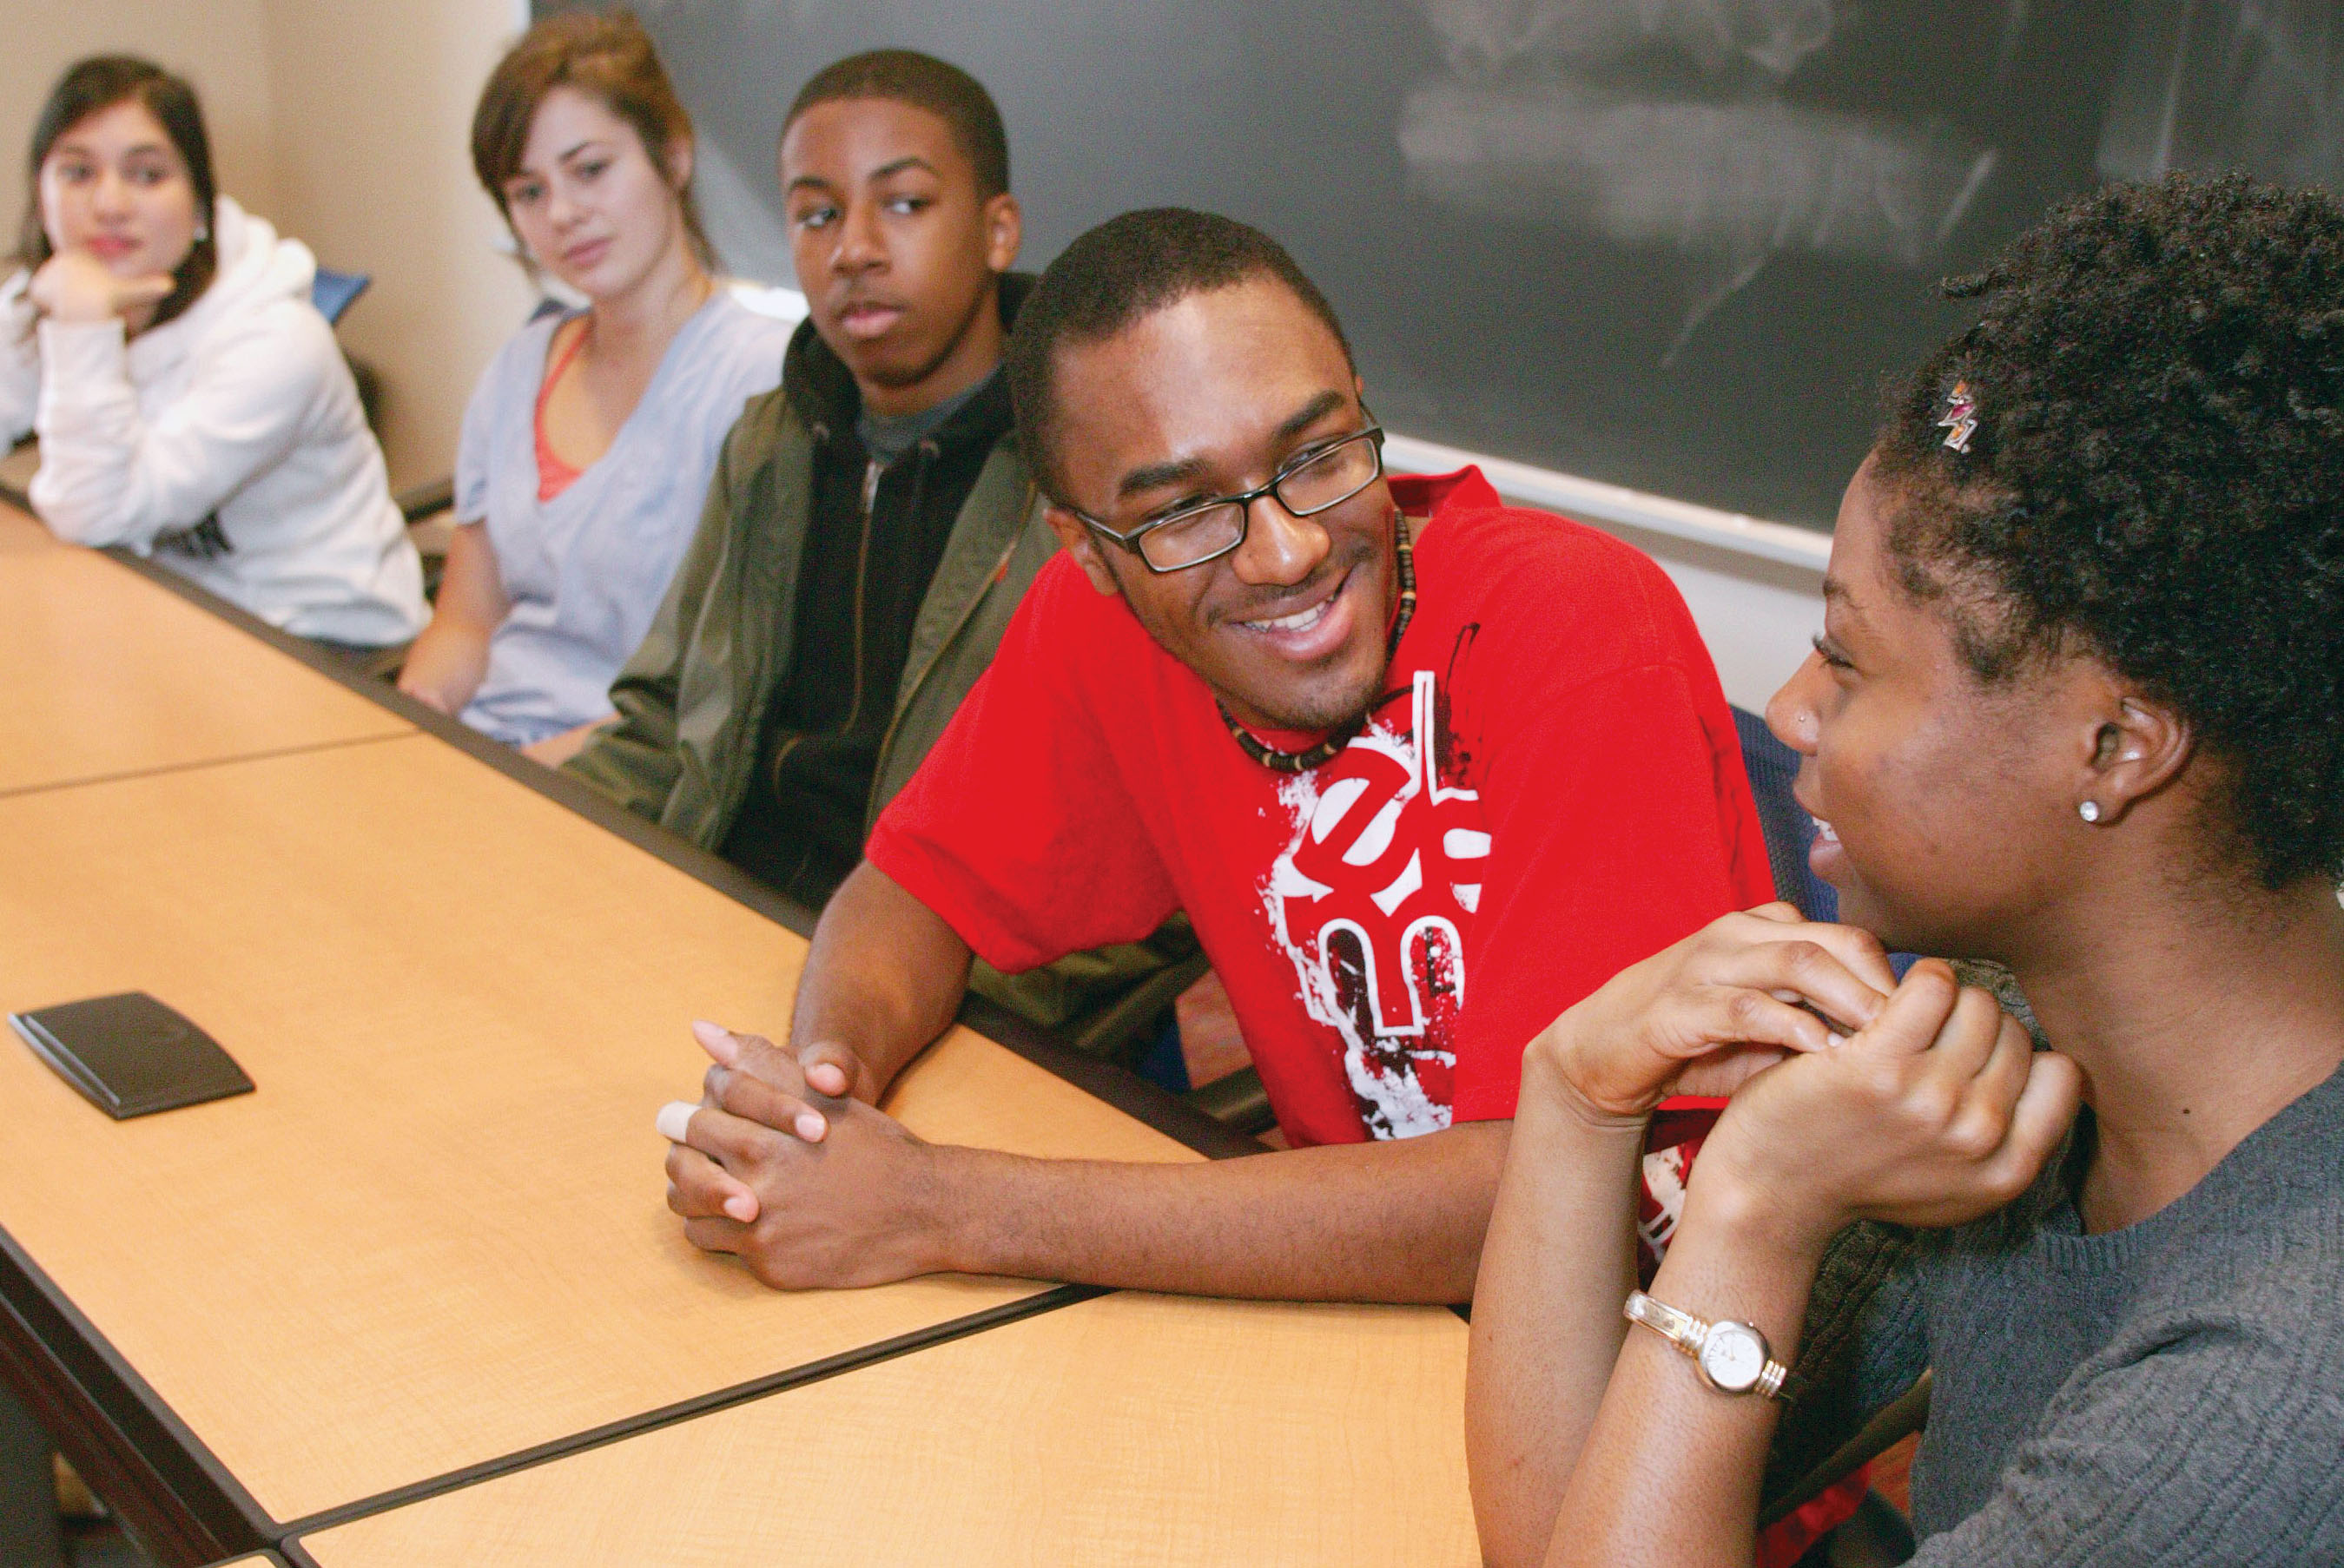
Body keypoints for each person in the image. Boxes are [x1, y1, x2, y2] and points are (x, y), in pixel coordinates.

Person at [658, 208, 1778, 1303]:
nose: (1286, 549)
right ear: (1084, 552)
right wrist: (815, 1109)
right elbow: (914, 889)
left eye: (1317, 453)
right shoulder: (1100, 623)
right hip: (1365, 1317)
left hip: (1651, 1371)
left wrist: (935, 1206)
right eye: (1183, 514)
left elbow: (1529, 1204)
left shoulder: (1575, 628)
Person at [1465, 174, 2344, 1566]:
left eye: (1849, 656)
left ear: (2112, 743)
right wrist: (1575, 1093)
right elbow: (1563, 1525)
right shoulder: (2014, 1045)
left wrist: (1755, 1204)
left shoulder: (2273, 1398)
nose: (1793, 711)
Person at [565, 50, 1192, 1047]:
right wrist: (532, 852)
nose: (852, 248)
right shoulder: (770, 439)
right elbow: (656, 719)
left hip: (953, 992)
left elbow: (1160, 852)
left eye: (901, 205)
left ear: (996, 231)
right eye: (816, 215)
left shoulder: (1093, 477)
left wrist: (942, 997)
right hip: (718, 920)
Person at [396, 11, 792, 766]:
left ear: (672, 156)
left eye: (589, 170)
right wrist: (418, 715)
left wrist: (509, 774)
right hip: (486, 751)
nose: (563, 215)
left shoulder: (759, 380)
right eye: (528, 191)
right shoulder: (517, 369)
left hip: (631, 776)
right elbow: (467, 621)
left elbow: (718, 694)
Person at [0, 56, 425, 651]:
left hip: (317, 643)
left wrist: (83, 329)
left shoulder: (278, 340)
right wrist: (74, 317)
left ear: (199, 204)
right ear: (40, 192)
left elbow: (98, 512)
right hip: (157, 609)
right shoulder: (52, 294)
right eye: (77, 172)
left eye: (147, 175)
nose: (110, 203)